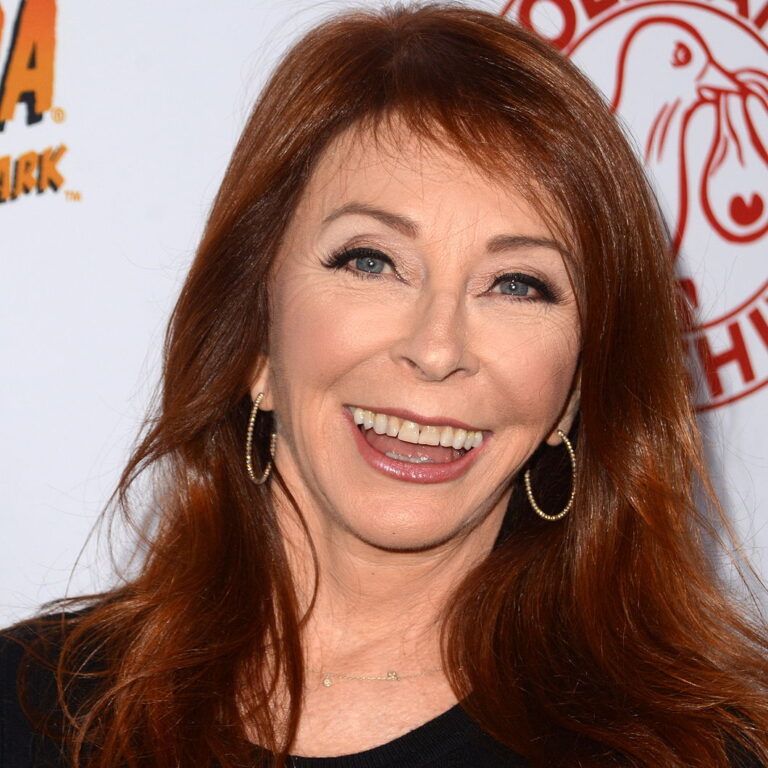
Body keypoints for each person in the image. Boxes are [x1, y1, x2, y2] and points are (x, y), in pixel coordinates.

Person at [1, 3, 767, 766]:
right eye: (370, 261)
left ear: (575, 388)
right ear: (255, 337)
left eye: (518, 285)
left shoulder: (699, 748)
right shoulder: (29, 705)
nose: (437, 349)